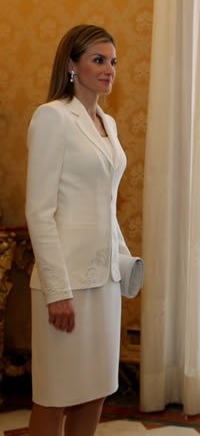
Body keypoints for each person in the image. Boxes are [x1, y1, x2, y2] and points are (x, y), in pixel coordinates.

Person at [26, 24, 133, 436]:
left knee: (95, 392)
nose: (109, 70)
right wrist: (58, 292)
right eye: (98, 60)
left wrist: (123, 262)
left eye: (113, 62)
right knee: (55, 396)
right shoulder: (52, 117)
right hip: (66, 284)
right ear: (72, 65)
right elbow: (40, 211)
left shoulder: (108, 122)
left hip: (103, 281)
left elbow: (105, 203)